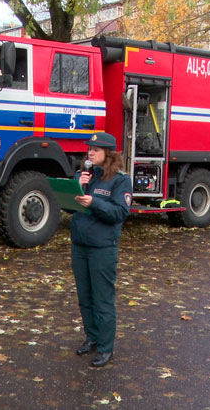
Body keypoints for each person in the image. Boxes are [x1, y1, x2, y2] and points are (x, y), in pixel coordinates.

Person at [70, 132, 132, 367]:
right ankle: (92, 338)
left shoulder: (119, 180)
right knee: (84, 297)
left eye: (95, 149)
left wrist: (94, 203)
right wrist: (77, 188)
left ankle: (106, 348)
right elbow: (69, 206)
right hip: (80, 245)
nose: (90, 152)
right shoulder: (83, 175)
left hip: (102, 248)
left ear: (108, 154)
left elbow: (120, 213)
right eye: (89, 149)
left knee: (102, 299)